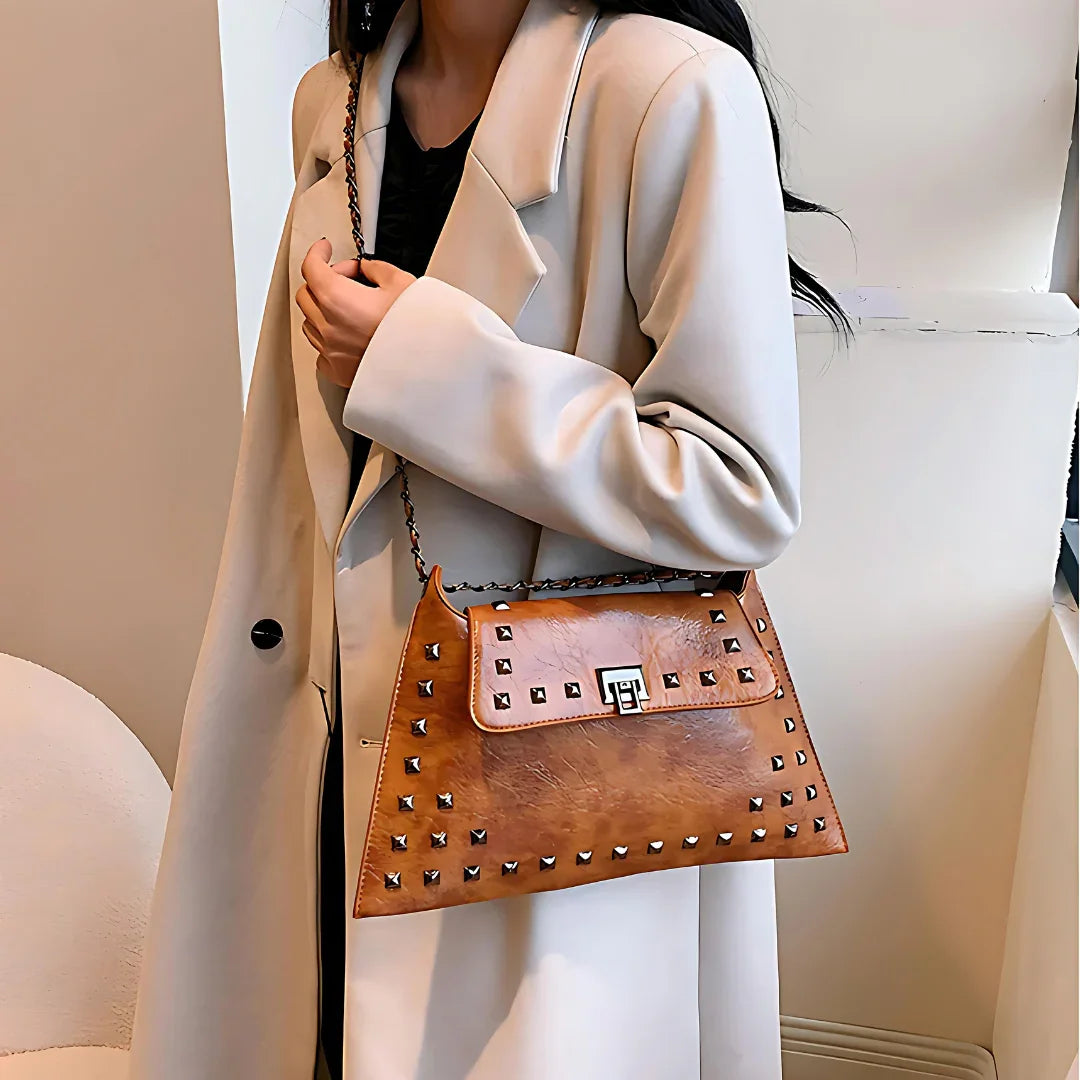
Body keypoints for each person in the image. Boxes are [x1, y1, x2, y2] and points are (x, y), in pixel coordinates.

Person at [129, 1, 850, 1078]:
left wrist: (430, 362)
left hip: (549, 781)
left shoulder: (667, 87)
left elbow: (736, 485)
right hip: (325, 755)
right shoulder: (332, 103)